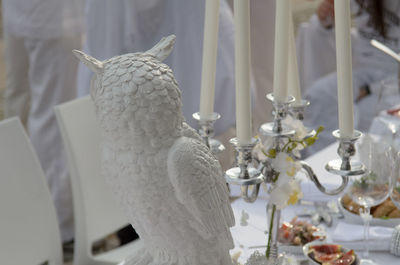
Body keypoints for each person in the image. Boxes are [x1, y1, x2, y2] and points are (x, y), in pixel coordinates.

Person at [2, 0, 84, 244]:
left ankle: (17, 203)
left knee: (19, 102)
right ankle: (58, 224)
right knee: (49, 113)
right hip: (54, 16)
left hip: (22, 12)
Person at [297, 0, 400, 155]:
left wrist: (369, 89)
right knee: (320, 94)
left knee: (372, 115)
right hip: (361, 69)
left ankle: (353, 162)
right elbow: (331, 31)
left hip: (393, 80)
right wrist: (325, 21)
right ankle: (320, 162)